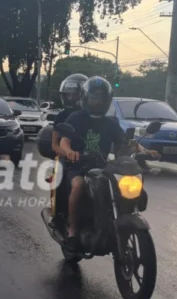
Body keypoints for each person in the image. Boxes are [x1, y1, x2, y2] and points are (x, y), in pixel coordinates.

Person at [57, 76, 126, 253]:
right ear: (86, 98)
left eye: (102, 97)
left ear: (107, 100)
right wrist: (69, 151)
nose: (98, 101)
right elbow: (64, 141)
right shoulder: (76, 118)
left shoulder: (111, 123)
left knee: (120, 188)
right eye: (94, 97)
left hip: (102, 167)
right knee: (78, 185)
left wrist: (143, 150)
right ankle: (72, 231)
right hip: (78, 165)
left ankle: (111, 223)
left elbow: (124, 142)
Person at [49, 74, 89, 229]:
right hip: (69, 157)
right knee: (60, 175)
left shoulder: (95, 115)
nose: (72, 98)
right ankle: (58, 215)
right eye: (69, 94)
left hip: (93, 158)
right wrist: (70, 154)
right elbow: (55, 145)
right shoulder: (63, 116)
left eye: (76, 94)